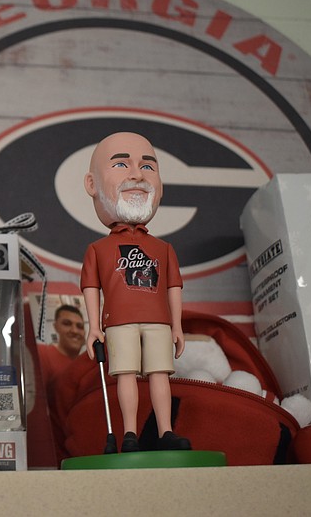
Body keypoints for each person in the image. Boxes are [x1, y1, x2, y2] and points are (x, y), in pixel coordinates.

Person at [80, 131, 191, 452]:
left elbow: (173, 286)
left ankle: (165, 431)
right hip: (119, 323)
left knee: (160, 374)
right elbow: (91, 287)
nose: (136, 175)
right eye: (120, 165)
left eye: (147, 166)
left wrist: (178, 326)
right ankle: (129, 433)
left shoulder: (162, 247)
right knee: (126, 374)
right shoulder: (98, 249)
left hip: (158, 321)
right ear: (91, 185)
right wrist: (93, 328)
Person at [37, 305, 86, 393]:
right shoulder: (43, 354)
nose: (74, 331)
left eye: (80, 326)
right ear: (56, 326)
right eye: (67, 324)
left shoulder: (86, 363)